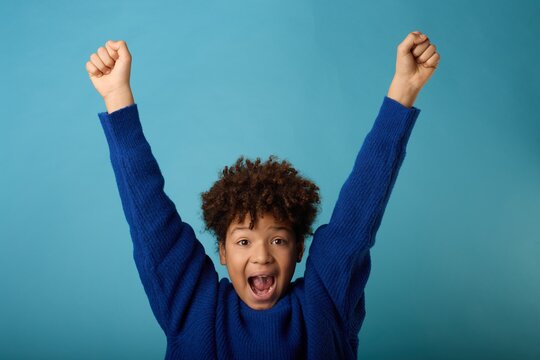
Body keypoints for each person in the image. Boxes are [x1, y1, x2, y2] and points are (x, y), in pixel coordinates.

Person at [86, 31, 439, 359]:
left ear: (301, 247)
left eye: (279, 240)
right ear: (221, 251)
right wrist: (117, 98)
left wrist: (403, 90)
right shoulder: (195, 308)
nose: (262, 257)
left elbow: (357, 216)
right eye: (243, 241)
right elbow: (150, 218)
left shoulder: (325, 304)